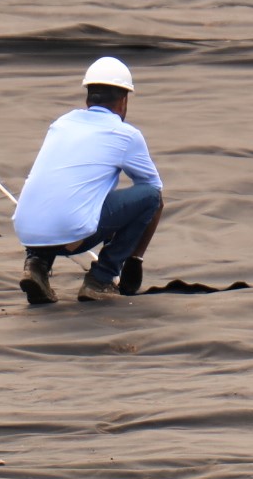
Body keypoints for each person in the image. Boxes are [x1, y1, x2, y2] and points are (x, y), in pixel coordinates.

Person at [11, 57, 164, 305]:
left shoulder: (61, 124)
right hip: (74, 234)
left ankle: (36, 265)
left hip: (28, 232)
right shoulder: (126, 135)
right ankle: (101, 279)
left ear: (88, 97)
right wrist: (135, 260)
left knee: (58, 194)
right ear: (124, 100)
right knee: (149, 197)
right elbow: (154, 193)